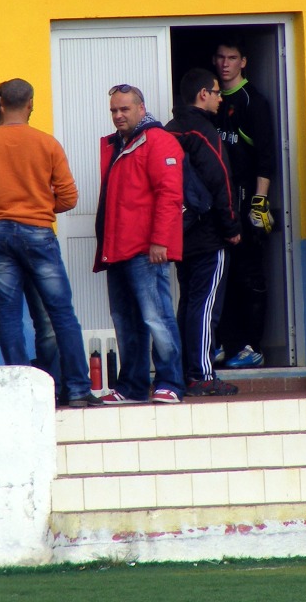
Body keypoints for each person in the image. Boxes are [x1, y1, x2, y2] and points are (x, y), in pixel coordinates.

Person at [0, 78, 96, 407]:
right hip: (38, 233)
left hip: (0, 235)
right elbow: (69, 198)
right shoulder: (47, 144)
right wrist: (41, 207)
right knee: (61, 315)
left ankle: (22, 392)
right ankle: (77, 389)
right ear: (30, 104)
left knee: (8, 317)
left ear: (1, 105)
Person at [95, 84, 186, 404]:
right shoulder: (120, 144)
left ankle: (171, 383)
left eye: (124, 109)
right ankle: (132, 387)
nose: (118, 115)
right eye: (114, 110)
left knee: (156, 317)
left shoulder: (158, 140)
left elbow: (170, 195)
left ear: (141, 108)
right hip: (118, 248)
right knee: (126, 322)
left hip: (145, 249)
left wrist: (160, 241)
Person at [0, 85, 59, 389]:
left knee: (42, 323)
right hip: (0, 248)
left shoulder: (32, 142)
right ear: (6, 106)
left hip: (20, 244)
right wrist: (5, 214)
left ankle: (50, 386)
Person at [165, 68, 242, 396]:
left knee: (189, 303)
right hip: (209, 234)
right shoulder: (203, 131)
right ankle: (202, 375)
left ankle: (185, 372)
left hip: (181, 233)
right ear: (203, 95)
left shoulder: (170, 130)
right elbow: (220, 179)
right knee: (206, 304)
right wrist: (231, 226)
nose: (220, 98)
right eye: (217, 92)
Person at [212, 36, 276, 368]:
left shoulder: (253, 101)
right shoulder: (212, 99)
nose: (225, 63)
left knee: (250, 275)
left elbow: (266, 156)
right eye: (221, 57)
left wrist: (259, 202)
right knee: (223, 275)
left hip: (247, 199)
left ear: (243, 62)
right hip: (219, 203)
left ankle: (253, 347)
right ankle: (225, 343)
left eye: (232, 57)